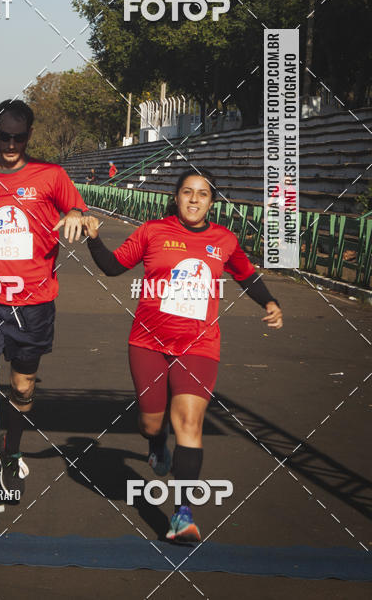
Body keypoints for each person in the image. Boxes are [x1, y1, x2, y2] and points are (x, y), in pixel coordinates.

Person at [82, 169, 282, 542]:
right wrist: (94, 240)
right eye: (187, 192)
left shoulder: (224, 240)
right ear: (176, 198)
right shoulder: (152, 231)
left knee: (189, 422)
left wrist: (269, 302)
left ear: (212, 202)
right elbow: (113, 267)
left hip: (199, 346)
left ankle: (182, 514)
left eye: (202, 194)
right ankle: (156, 443)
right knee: (151, 424)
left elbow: (246, 275)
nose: (194, 199)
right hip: (148, 343)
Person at [0, 99, 88, 516]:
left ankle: (11, 450)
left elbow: (77, 207)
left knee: (22, 388)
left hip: (35, 302)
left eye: (19, 138)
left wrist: (76, 215)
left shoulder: (51, 175)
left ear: (29, 135)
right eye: (4, 137)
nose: (10, 145)